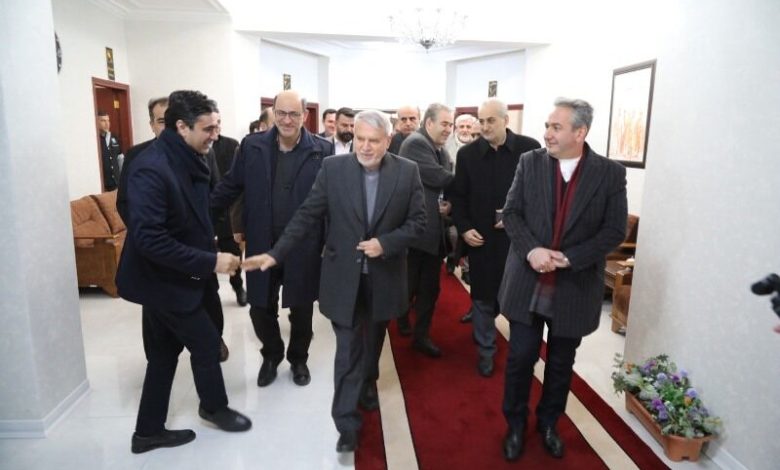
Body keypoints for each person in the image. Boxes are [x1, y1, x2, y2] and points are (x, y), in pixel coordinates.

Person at [242, 109, 425, 453]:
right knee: (347, 351)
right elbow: (307, 215)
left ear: (388, 141)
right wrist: (276, 254)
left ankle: (368, 381)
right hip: (343, 280)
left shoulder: (407, 171)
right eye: (360, 139)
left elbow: (418, 222)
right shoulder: (333, 169)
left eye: (374, 141)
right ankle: (346, 424)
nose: (365, 147)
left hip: (384, 279)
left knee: (373, 342)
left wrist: (386, 243)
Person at [116, 90, 252, 454]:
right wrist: (211, 261)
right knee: (206, 344)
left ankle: (147, 433)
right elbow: (150, 240)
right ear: (181, 127)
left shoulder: (189, 157)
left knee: (163, 354)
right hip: (161, 279)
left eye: (217, 126)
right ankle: (214, 408)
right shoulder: (151, 167)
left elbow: (196, 210)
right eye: (208, 129)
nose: (215, 136)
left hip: (181, 274)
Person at [498, 98, 627, 461]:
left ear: (580, 132)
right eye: (548, 126)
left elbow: (614, 230)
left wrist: (571, 258)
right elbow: (511, 213)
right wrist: (532, 251)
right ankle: (515, 425)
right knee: (520, 358)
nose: (547, 134)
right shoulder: (530, 162)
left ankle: (549, 423)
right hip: (528, 280)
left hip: (575, 285)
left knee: (560, 363)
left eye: (556, 127)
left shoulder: (610, 174)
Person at [211, 90, 334, 388]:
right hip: (261, 244)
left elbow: (331, 201)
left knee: (302, 308)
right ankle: (272, 354)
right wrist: (199, 214)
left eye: (294, 114)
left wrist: (329, 241)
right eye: (281, 113)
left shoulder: (322, 150)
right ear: (273, 113)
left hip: (304, 245)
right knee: (259, 306)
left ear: (305, 115)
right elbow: (231, 186)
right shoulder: (252, 146)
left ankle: (298, 358)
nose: (287, 120)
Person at [449, 99, 541, 378]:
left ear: (505, 120)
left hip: (518, 241)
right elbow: (458, 197)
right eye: (482, 120)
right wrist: (464, 228)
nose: (485, 126)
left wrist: (521, 223)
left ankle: (520, 354)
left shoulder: (530, 149)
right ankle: (486, 351)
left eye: (491, 120)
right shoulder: (467, 155)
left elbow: (539, 195)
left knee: (517, 299)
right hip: (481, 239)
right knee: (482, 298)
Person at [396, 103, 454, 357]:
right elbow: (440, 177)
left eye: (451, 124)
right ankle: (401, 321)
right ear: (429, 123)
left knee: (429, 288)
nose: (449, 129)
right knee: (409, 285)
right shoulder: (416, 144)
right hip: (417, 233)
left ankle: (421, 335)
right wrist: (472, 178)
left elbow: (445, 177)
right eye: (444, 124)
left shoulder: (439, 148)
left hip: (433, 233)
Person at [117, 97, 168, 222]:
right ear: (152, 125)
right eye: (162, 121)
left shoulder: (200, 155)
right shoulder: (135, 155)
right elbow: (124, 202)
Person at [210, 130, 246, 307]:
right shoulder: (192, 147)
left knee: (233, 253)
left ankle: (238, 286)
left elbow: (237, 182)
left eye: (217, 123)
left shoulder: (231, 145)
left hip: (227, 212)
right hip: (205, 213)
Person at [97, 110, 124, 191]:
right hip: (103, 185)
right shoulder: (95, 139)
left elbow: (120, 158)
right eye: (103, 121)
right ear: (96, 122)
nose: (107, 124)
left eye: (108, 120)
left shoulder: (114, 137)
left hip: (117, 183)